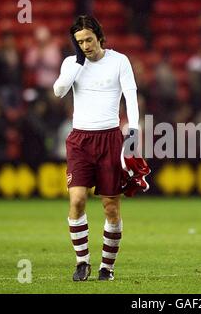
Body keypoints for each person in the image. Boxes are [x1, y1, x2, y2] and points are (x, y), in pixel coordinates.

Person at [53, 15, 148, 282]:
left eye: (89, 39)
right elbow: (59, 90)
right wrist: (77, 64)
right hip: (80, 139)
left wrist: (134, 133)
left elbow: (131, 96)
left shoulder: (119, 61)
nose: (85, 45)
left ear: (99, 37)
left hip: (110, 138)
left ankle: (107, 266)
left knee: (110, 207)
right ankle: (82, 261)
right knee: (77, 199)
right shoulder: (72, 63)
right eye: (79, 41)